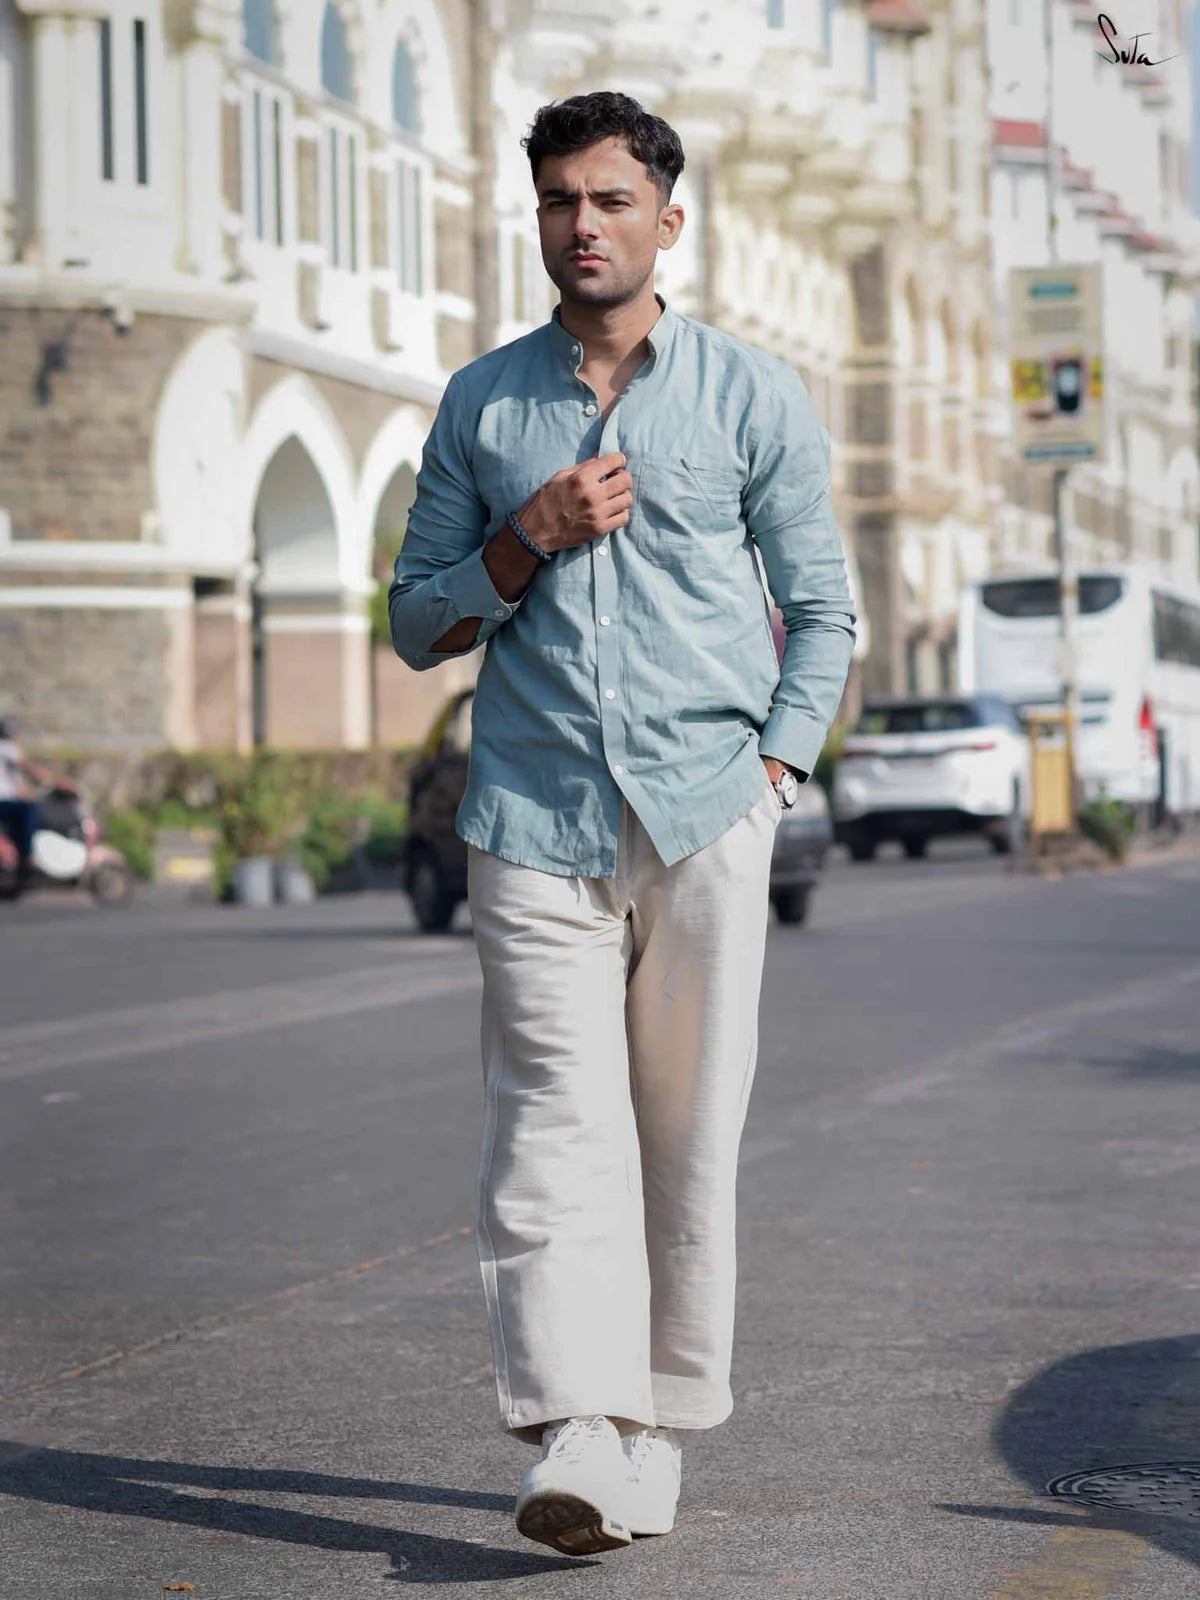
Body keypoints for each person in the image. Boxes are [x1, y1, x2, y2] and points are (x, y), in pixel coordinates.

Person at [389, 91, 856, 1556]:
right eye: (557, 201)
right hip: (531, 814)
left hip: (707, 810)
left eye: (608, 200)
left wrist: (775, 775)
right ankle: (577, 1429)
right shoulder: (483, 404)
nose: (580, 225)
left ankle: (654, 1431)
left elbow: (824, 611)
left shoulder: (750, 394)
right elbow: (414, 622)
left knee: (684, 1133)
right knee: (551, 1125)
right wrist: (524, 539)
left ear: (667, 219)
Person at [0, 717, 51, 886]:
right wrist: (49, 778)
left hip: (7, 802)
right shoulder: (7, 747)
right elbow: (29, 767)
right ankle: (27, 855)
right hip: (4, 804)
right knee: (30, 810)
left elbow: (17, 786)